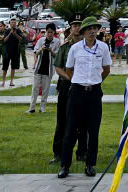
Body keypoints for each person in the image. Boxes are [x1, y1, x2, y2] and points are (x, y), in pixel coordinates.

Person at [58, 16, 111, 179]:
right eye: (89, 29)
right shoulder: (75, 48)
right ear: (83, 32)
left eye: (95, 28)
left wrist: (94, 81)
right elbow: (68, 69)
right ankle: (65, 166)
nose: (93, 31)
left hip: (94, 92)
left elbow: (106, 69)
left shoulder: (103, 47)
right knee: (70, 129)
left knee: (93, 130)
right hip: (77, 92)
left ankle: (90, 164)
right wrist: (80, 81)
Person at [52, 17, 83, 164]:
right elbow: (58, 67)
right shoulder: (65, 47)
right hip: (67, 84)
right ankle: (58, 153)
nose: (77, 28)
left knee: (83, 121)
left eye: (79, 25)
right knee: (62, 120)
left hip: (83, 86)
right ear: (70, 29)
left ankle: (82, 152)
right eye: (74, 25)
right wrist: (70, 78)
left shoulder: (88, 46)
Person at [29, 22, 60, 114]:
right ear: (46, 32)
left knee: (45, 89)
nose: (49, 34)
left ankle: (42, 108)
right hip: (39, 67)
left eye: (51, 32)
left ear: (54, 32)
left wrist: (51, 50)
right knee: (35, 88)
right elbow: (35, 52)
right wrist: (41, 49)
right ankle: (32, 107)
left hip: (49, 69)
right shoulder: (41, 40)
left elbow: (57, 55)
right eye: (48, 32)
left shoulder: (57, 41)